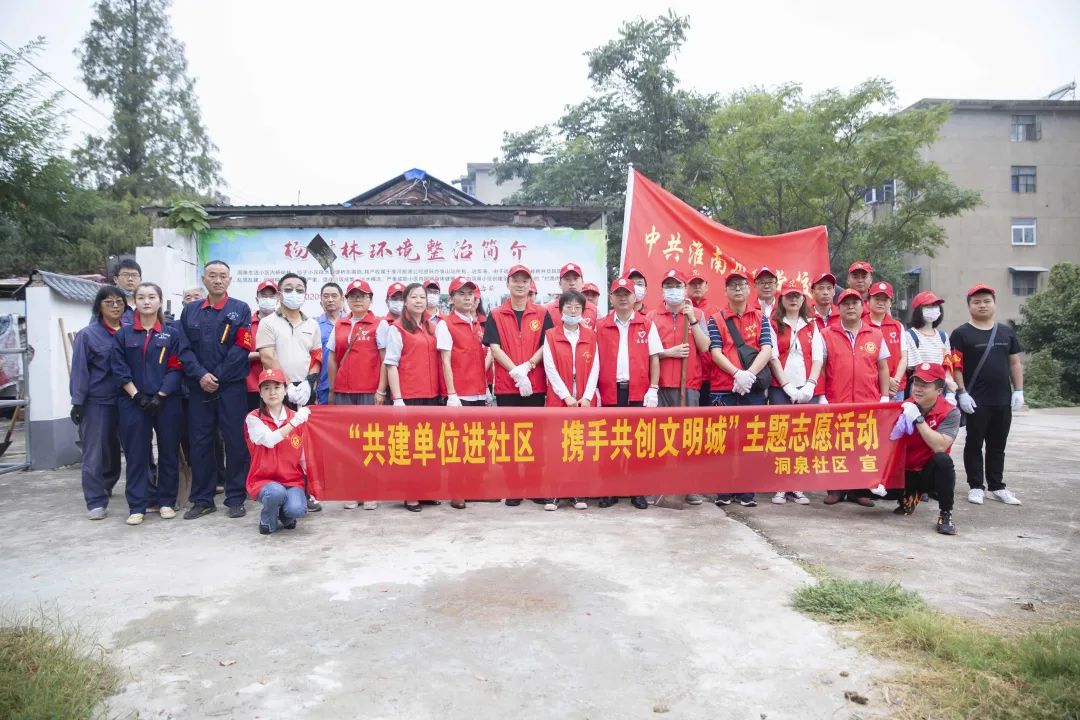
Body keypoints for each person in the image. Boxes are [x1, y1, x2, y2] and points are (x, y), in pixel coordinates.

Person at [176, 260, 254, 520]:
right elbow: (183, 349)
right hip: (198, 389)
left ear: (230, 280)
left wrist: (216, 376)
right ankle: (203, 499)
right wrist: (200, 375)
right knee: (200, 443)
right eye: (212, 275)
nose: (218, 280)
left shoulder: (240, 309)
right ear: (204, 279)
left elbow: (241, 348)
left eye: (223, 276)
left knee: (235, 443)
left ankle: (235, 497)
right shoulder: (190, 312)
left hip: (230, 388)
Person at [110, 282, 184, 526]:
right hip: (133, 402)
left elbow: (175, 367)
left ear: (160, 301)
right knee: (137, 454)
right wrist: (136, 395)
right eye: (141, 297)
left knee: (168, 452)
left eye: (152, 297)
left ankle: (165, 502)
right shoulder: (124, 334)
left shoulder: (171, 334)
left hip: (166, 402)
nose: (146, 301)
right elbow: (119, 369)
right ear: (135, 302)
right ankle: (137, 505)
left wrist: (160, 395)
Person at [484, 265, 553, 506]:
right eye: (516, 280)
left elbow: (548, 344)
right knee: (510, 438)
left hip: (535, 385)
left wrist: (529, 366)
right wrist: (515, 371)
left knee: (534, 438)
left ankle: (534, 487)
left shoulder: (542, 313)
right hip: (505, 386)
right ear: (508, 284)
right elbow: (494, 347)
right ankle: (513, 488)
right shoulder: (495, 314)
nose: (520, 284)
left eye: (525, 280)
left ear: (531, 284)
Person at [951, 284, 1024, 506]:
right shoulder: (961, 333)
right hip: (975, 401)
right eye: (977, 301)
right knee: (974, 443)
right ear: (969, 306)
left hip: (1002, 399)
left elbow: (1014, 362)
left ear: (994, 303)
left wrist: (1019, 390)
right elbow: (955, 366)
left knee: (997, 445)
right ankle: (975, 486)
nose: (982, 305)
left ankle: (997, 486)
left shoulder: (1005, 332)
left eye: (986, 301)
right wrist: (962, 392)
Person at [256, 272, 323, 511]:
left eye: (299, 289)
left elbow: (317, 356)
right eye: (289, 288)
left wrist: (308, 382)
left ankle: (308, 491)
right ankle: (280, 491)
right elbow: (266, 356)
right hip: (277, 392)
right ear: (280, 292)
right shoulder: (268, 323)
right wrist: (286, 387)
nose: (294, 293)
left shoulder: (312, 324)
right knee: (283, 442)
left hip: (305, 391)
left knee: (306, 442)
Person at [706, 270, 773, 508]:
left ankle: (747, 492)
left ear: (749, 289)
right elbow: (715, 351)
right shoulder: (716, 319)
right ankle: (723, 490)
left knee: (749, 439)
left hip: (752, 388)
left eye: (742, 284)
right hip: (723, 388)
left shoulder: (760, 317)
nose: (737, 289)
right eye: (732, 285)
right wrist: (736, 373)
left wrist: (749, 375)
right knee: (722, 440)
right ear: (725, 291)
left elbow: (766, 349)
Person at [595, 277, 662, 510]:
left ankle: (638, 491)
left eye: (627, 293)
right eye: (618, 294)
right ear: (611, 298)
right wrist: (595, 389)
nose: (622, 298)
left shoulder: (646, 324)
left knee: (638, 443)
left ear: (635, 298)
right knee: (609, 444)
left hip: (638, 392)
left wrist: (653, 388)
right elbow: (594, 360)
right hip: (610, 392)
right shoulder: (601, 325)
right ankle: (610, 491)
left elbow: (655, 358)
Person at [820, 289, 891, 507]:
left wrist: (885, 396)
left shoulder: (876, 334)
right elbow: (820, 368)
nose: (851, 307)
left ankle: (860, 490)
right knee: (837, 444)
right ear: (838, 308)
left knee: (862, 446)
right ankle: (836, 489)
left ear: (863, 307)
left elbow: (882, 368)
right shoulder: (827, 334)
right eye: (845, 303)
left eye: (855, 303)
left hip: (866, 401)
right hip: (837, 400)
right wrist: (821, 395)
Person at [325, 279, 385, 511]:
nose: (358, 299)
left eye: (362, 295)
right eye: (353, 296)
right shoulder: (340, 325)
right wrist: (332, 388)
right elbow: (331, 358)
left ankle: (370, 490)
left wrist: (381, 390)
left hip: (369, 392)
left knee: (370, 442)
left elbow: (384, 359)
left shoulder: (378, 324)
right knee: (348, 443)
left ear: (370, 299)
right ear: (346, 300)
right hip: (343, 392)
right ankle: (351, 490)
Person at [70, 286, 126, 519]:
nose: (114, 306)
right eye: (108, 302)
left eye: (119, 302)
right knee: (94, 452)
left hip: (127, 399)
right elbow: (80, 370)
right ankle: (95, 500)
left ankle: (118, 485)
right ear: (99, 306)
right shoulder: (88, 335)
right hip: (98, 400)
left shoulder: (131, 331)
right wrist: (78, 401)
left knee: (129, 449)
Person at [384, 283, 441, 512]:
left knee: (428, 446)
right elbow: (391, 365)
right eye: (414, 297)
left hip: (431, 395)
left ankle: (425, 491)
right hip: (409, 397)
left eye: (422, 297)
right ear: (406, 301)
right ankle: (410, 494)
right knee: (410, 447)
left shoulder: (430, 326)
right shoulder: (397, 328)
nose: (419, 301)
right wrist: (397, 398)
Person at [766, 280, 823, 505]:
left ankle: (798, 485)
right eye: (789, 296)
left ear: (803, 299)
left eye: (797, 296)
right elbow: (772, 356)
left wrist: (810, 383)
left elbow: (818, 357)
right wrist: (786, 384)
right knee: (782, 434)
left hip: (807, 387)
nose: (793, 299)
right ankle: (780, 484)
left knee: (803, 436)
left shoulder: (813, 324)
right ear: (781, 299)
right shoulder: (773, 323)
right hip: (781, 386)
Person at [541, 290, 599, 511]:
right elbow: (550, 368)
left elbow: (595, 368)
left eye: (577, 307)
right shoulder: (550, 335)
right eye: (569, 306)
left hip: (583, 401)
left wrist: (586, 397)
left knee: (580, 446)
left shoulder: (591, 336)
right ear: (561, 309)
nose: (573, 310)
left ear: (583, 311)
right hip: (559, 400)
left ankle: (577, 492)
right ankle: (554, 494)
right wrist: (566, 396)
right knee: (556, 446)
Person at [435, 276, 490, 510]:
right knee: (457, 445)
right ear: (452, 299)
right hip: (460, 395)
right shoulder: (445, 324)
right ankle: (457, 491)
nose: (467, 298)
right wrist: (452, 394)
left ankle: (474, 488)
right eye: (462, 294)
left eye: (470, 294)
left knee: (476, 442)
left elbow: (482, 358)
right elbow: (445, 362)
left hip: (479, 392)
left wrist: (486, 387)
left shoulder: (478, 324)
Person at [890, 362, 960, 535]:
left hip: (929, 473)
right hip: (905, 471)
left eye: (925, 386)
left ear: (939, 390)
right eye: (916, 384)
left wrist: (918, 420)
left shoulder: (950, 412)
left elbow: (940, 446)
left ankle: (945, 514)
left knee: (944, 461)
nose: (918, 389)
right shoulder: (903, 407)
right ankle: (910, 495)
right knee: (862, 490)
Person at [245, 368, 311, 535]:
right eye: (266, 388)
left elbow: (304, 456)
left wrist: (314, 482)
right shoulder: (253, 418)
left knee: (296, 509)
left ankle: (284, 513)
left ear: (285, 390)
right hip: (263, 481)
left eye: (277, 387)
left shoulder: (297, 417)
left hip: (291, 481)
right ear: (260, 393)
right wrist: (294, 422)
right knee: (275, 492)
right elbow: (269, 440)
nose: (272, 392)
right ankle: (267, 519)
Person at [650, 269, 711, 408]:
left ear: (685, 290)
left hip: (689, 384)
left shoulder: (698, 314)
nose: (673, 290)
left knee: (687, 428)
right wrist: (667, 353)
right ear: (662, 291)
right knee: (662, 428)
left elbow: (704, 347)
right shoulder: (652, 317)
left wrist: (693, 320)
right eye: (669, 286)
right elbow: (644, 353)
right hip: (660, 385)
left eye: (678, 286)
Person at [902, 291, 957, 402]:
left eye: (935, 306)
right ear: (918, 310)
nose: (933, 309)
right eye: (928, 306)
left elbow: (947, 363)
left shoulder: (943, 336)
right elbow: (916, 366)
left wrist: (950, 385)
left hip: (941, 387)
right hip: (920, 387)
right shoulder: (910, 335)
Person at [866, 281, 908, 401]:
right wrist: (886, 379)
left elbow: (903, 358)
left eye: (885, 299)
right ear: (868, 300)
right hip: (871, 386)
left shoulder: (897, 326)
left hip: (895, 389)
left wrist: (895, 381)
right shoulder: (861, 324)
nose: (880, 302)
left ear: (890, 303)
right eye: (877, 298)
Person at [246, 280, 279, 410]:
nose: (268, 299)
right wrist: (264, 354)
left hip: (279, 385)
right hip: (252, 386)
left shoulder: (285, 323)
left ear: (278, 299)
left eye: (271, 296)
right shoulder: (247, 323)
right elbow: (240, 355)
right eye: (264, 296)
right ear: (257, 298)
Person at [687, 273, 716, 407]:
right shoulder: (680, 310)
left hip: (711, 375)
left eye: (700, 283)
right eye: (693, 283)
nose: (697, 286)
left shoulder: (715, 312)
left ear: (707, 286)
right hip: (689, 376)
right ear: (686, 287)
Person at [314, 282, 345, 404]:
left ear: (342, 299)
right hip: (323, 386)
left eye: (334, 296)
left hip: (349, 386)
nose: (330, 300)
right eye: (326, 296)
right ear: (321, 300)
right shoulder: (314, 325)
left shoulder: (351, 323)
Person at [546, 263, 599, 328]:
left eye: (575, 279)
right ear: (560, 284)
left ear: (582, 283)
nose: (572, 283)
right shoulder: (549, 309)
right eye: (567, 279)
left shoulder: (594, 310)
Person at [112, 258, 142, 325]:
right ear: (115, 279)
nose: (130, 279)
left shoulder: (146, 304)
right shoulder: (108, 305)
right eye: (125, 275)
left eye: (134, 275)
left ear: (140, 279)